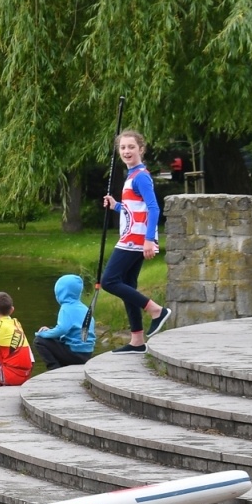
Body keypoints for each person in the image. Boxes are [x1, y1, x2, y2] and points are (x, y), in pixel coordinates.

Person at [100, 131, 172, 353]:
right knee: (127, 285)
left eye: (131, 147)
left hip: (134, 240)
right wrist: (117, 206)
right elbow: (135, 209)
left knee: (109, 281)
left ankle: (156, 310)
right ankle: (137, 341)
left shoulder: (140, 176)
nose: (126, 151)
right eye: (122, 148)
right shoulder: (132, 176)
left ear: (141, 149)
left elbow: (153, 207)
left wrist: (149, 240)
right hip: (132, 236)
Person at [33, 274, 96, 370]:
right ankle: (63, 366)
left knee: (39, 341)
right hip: (86, 353)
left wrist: (43, 334)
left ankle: (54, 369)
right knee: (51, 333)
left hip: (75, 353)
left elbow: (62, 329)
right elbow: (73, 330)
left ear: (61, 293)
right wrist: (50, 330)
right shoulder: (84, 308)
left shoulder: (66, 308)